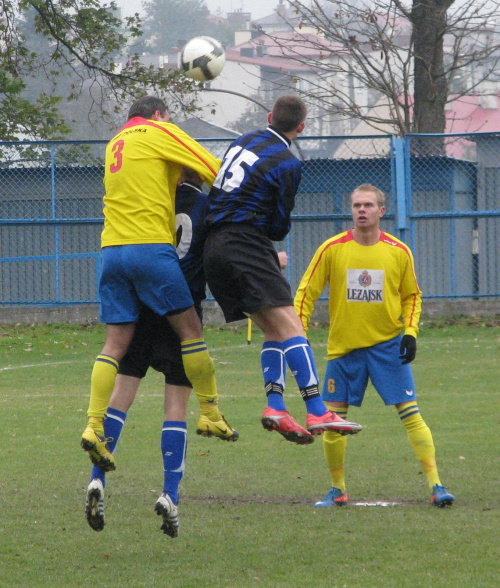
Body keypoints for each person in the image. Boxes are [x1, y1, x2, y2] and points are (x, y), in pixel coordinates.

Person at [81, 96, 237, 476]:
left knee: (114, 345)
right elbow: (213, 167)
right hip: (150, 249)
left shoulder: (115, 142)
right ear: (160, 115)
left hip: (111, 251)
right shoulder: (159, 131)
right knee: (190, 331)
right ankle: (212, 412)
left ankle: (93, 425)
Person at [85, 168, 238, 538]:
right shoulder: (206, 206)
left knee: (119, 400)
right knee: (176, 408)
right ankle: (170, 494)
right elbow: (217, 255)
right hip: (181, 308)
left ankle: (97, 481)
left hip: (139, 310)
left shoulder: (150, 202)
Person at [203, 94, 362, 445]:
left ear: (270, 116)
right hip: (246, 244)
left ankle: (276, 406)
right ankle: (318, 408)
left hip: (212, 247)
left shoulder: (242, 140)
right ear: (301, 128)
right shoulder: (287, 163)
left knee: (274, 331)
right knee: (294, 328)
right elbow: (278, 226)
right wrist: (264, 247)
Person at [294, 183, 455, 507]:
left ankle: (437, 486)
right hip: (344, 350)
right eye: (357, 205)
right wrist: (298, 337)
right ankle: (337, 489)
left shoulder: (398, 251)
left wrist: (410, 333)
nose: (362, 210)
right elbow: (305, 294)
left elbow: (412, 295)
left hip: (387, 348)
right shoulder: (332, 249)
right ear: (351, 210)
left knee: (411, 415)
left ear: (382, 211)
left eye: (368, 205)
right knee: (333, 421)